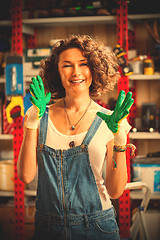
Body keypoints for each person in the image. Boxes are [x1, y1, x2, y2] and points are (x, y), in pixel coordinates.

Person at [17, 35, 134, 240]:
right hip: (48, 229)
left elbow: (115, 191)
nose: (76, 72)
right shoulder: (38, 114)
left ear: (95, 69)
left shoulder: (110, 120)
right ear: (57, 71)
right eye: (67, 65)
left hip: (98, 228)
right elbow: (26, 176)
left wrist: (119, 139)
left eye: (84, 64)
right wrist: (33, 122)